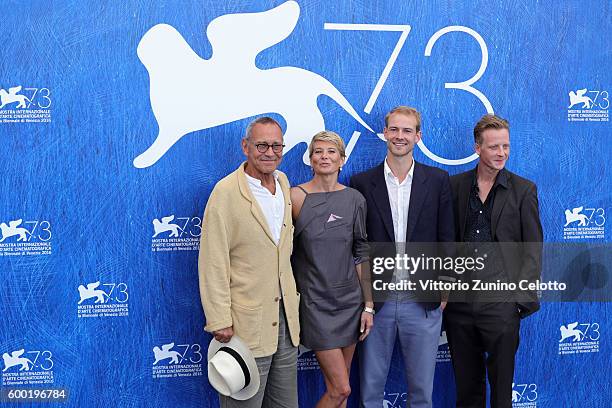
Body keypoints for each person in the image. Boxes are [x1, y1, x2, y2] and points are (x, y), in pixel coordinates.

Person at [350, 106, 455, 408]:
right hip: (376, 303)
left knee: (422, 392)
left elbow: (446, 237)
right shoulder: (361, 183)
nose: (400, 136)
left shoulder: (437, 180)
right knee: (370, 390)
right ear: (385, 133)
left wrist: (445, 286)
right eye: (394, 129)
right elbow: (359, 245)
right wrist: (366, 299)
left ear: (418, 136)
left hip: (422, 301)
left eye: (407, 130)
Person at [198, 116, 301, 407]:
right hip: (244, 326)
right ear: (246, 146)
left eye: (276, 146)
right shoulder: (226, 192)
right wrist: (219, 319)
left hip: (285, 324)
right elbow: (213, 261)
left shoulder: (283, 182)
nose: (270, 152)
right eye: (262, 145)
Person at [445, 114, 543, 408]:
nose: (501, 153)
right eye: (494, 147)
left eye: (506, 146)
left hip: (502, 304)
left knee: (502, 392)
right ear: (477, 148)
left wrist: (518, 301)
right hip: (460, 305)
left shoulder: (524, 190)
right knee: (467, 390)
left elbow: (533, 248)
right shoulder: (455, 186)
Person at [290, 131, 373, 408]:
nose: (324, 156)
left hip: (349, 303)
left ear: (342, 159)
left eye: (331, 152)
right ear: (310, 159)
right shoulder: (295, 198)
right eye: (318, 151)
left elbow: (361, 252)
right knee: (341, 389)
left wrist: (368, 306)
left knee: (339, 389)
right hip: (315, 304)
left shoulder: (355, 199)